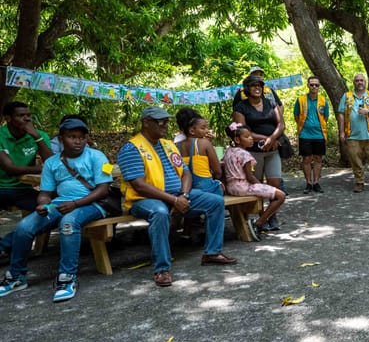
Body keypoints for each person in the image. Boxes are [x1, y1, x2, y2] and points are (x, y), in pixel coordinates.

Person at [117, 107, 236, 287]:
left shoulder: (168, 144)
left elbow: (185, 173)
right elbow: (139, 185)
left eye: (166, 121)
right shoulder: (131, 148)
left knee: (215, 201)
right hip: (144, 199)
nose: (165, 124)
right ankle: (162, 269)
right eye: (160, 121)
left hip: (177, 194)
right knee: (159, 212)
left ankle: (212, 252)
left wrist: (184, 195)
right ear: (146, 122)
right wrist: (173, 200)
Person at [0, 118, 113, 301]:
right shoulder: (52, 162)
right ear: (61, 139)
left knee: (68, 223)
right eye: (72, 137)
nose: (77, 141)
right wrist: (42, 204)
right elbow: (45, 192)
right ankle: (16, 276)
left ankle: (66, 279)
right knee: (24, 227)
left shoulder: (96, 156)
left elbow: (103, 190)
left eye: (81, 137)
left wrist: (75, 204)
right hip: (60, 203)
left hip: (92, 204)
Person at [0, 101, 53, 264]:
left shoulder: (39, 135)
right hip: (1, 187)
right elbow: (10, 168)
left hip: (22, 189)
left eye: (28, 115)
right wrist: (39, 169)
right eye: (21, 115)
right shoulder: (1, 135)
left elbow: (51, 163)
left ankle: (4, 244)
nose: (26, 119)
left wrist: (37, 137)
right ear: (8, 118)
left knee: (52, 213)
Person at [233, 75, 284, 230]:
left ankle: (271, 216)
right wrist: (265, 138)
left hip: (273, 149)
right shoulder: (241, 107)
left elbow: (281, 124)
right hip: (253, 152)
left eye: (259, 85)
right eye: (253, 85)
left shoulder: (270, 103)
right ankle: (261, 218)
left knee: (275, 183)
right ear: (247, 89)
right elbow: (242, 131)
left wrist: (272, 138)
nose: (257, 88)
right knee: (257, 184)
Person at [223, 123, 286, 237]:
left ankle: (260, 221)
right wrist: (261, 185)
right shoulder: (245, 155)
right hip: (243, 187)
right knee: (280, 196)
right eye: (247, 137)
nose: (251, 138)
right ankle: (259, 223)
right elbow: (249, 176)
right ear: (237, 139)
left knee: (262, 192)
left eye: (250, 136)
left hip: (231, 188)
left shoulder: (228, 151)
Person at [337, 74, 369, 194]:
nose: (359, 82)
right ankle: (359, 182)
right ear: (354, 82)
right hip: (352, 135)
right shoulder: (347, 96)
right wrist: (341, 132)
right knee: (355, 161)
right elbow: (341, 114)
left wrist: (368, 112)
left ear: (365, 82)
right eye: (357, 80)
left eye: (362, 80)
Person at [294, 76, 330, 194]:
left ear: (319, 86)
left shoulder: (323, 100)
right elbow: (296, 116)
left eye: (316, 85)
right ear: (308, 85)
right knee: (307, 159)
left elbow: (326, 117)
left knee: (318, 158)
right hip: (305, 134)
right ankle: (309, 183)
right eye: (312, 84)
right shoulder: (301, 99)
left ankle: (316, 183)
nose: (314, 87)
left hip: (319, 134)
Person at [175, 108, 223, 196]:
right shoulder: (204, 143)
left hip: (185, 189)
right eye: (203, 128)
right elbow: (218, 171)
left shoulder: (175, 146)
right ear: (192, 130)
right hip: (205, 188)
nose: (207, 130)